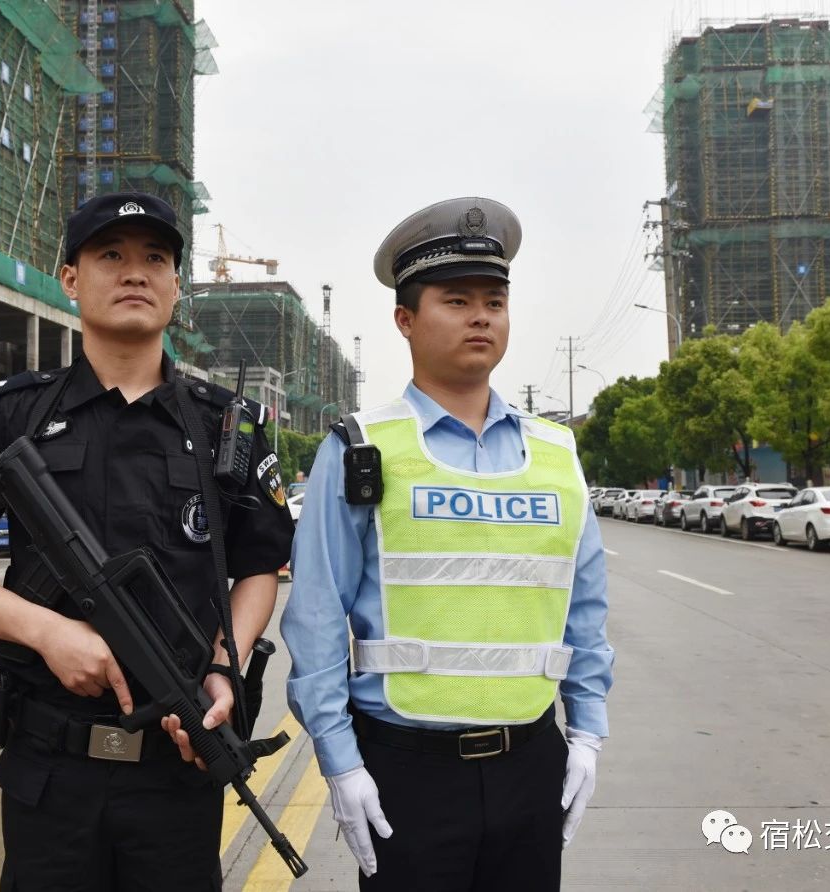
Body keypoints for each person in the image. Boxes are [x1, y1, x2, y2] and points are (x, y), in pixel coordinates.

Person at [0, 191, 293, 891]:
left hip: (179, 769)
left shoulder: (226, 425)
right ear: (72, 279)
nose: (135, 272)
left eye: (155, 259)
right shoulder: (18, 412)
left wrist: (222, 667)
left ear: (177, 289)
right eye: (111, 255)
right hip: (50, 774)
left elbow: (261, 566)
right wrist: (48, 632)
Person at [281, 197, 615, 890]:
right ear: (405, 319)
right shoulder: (360, 448)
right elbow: (315, 619)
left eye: (495, 299)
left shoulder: (558, 454)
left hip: (531, 763)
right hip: (408, 770)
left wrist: (586, 731)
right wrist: (339, 761)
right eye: (456, 299)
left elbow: (584, 610)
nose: (481, 316)